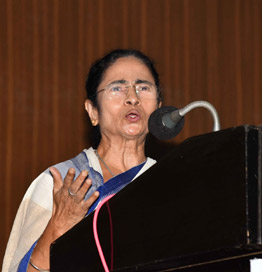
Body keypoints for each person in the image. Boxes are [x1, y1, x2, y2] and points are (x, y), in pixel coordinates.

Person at [2, 49, 162, 272]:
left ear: (159, 108)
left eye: (143, 87)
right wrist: (58, 228)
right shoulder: (56, 184)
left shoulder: (171, 182)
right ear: (93, 111)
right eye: (117, 88)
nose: (133, 98)